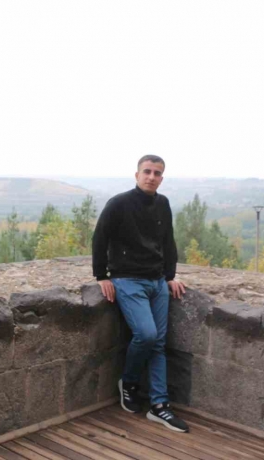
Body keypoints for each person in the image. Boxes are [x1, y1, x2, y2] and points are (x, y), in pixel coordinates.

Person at [92, 155, 190, 433]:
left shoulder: (163, 204)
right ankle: (130, 381)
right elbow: (99, 238)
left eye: (157, 173)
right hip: (127, 280)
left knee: (158, 343)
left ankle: (160, 406)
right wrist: (101, 276)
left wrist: (170, 277)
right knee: (146, 335)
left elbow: (167, 241)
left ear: (162, 178)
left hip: (157, 282)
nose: (151, 176)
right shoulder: (119, 203)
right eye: (147, 171)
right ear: (136, 175)